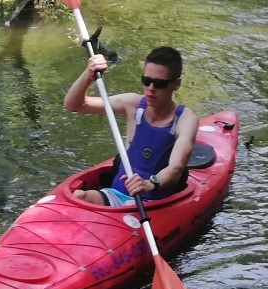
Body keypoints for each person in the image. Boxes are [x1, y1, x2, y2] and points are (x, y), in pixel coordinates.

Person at [63, 46, 198, 205]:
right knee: (79, 196)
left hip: (151, 203)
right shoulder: (132, 104)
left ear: (176, 84)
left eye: (159, 84)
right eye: (146, 81)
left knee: (130, 204)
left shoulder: (185, 119)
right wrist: (89, 73)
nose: (150, 89)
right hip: (115, 194)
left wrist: (149, 184)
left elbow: (176, 168)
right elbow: (73, 105)